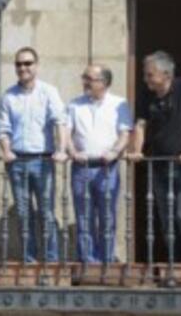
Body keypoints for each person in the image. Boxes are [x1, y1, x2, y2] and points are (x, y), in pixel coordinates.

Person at [128, 50, 181, 263]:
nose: (146, 79)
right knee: (166, 221)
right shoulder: (146, 95)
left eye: (149, 74)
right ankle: (175, 264)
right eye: (146, 74)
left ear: (166, 75)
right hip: (159, 166)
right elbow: (140, 125)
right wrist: (137, 150)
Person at [0, 46, 66, 263]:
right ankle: (29, 260)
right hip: (16, 161)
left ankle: (52, 260)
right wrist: (6, 151)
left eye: (28, 63)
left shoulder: (49, 91)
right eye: (19, 64)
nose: (23, 68)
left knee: (46, 212)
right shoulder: (8, 96)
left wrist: (62, 149)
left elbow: (60, 122)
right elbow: (3, 129)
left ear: (36, 66)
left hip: (43, 160)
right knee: (23, 214)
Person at [66, 65, 132, 263]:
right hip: (82, 167)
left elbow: (125, 134)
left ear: (103, 83)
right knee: (84, 218)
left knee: (107, 218)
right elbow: (66, 133)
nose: (84, 81)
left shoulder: (119, 104)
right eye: (84, 77)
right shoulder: (74, 104)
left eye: (89, 78)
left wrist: (114, 152)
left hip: (107, 167)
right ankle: (88, 262)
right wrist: (73, 152)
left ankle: (107, 261)